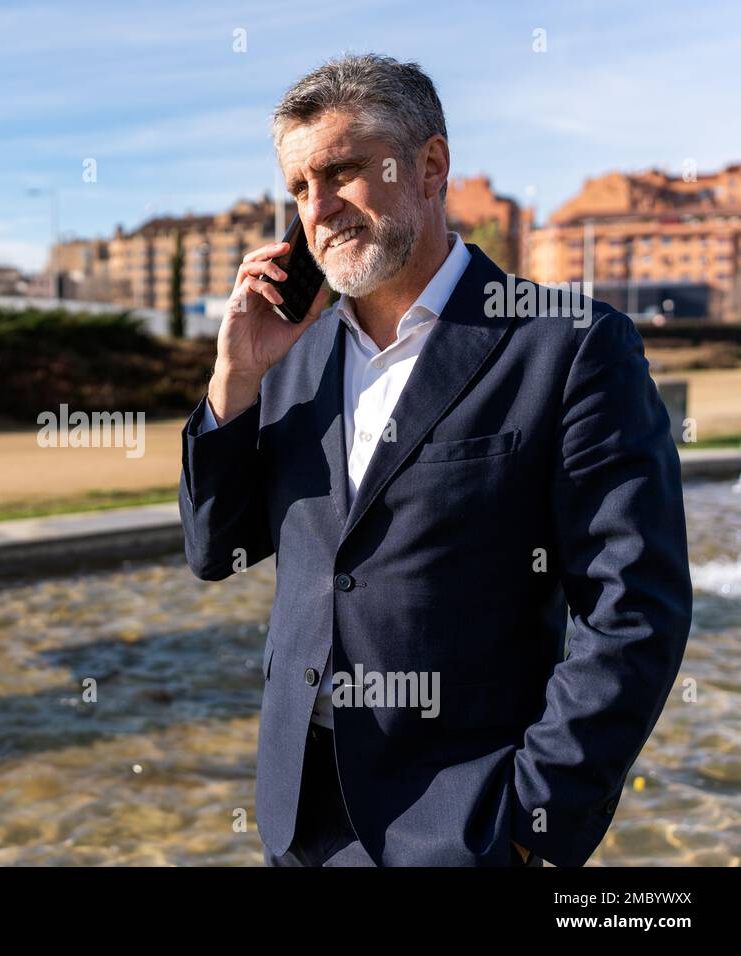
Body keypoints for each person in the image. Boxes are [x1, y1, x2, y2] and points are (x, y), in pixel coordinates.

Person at [178, 53, 692, 866]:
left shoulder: (568, 347)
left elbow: (634, 608)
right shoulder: (293, 363)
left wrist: (533, 824)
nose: (319, 209)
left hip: (468, 824)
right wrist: (234, 378)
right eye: (299, 190)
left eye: (342, 172)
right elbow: (216, 549)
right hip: (300, 820)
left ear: (430, 167)